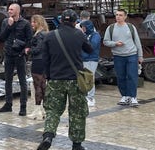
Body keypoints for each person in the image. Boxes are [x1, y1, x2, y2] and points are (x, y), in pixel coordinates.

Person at [37, 9, 92, 150]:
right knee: (77, 112)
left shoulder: (50, 36)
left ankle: (48, 136)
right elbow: (90, 50)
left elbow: (45, 59)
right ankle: (77, 144)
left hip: (56, 79)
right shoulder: (78, 34)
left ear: (61, 21)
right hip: (75, 80)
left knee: (53, 110)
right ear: (75, 22)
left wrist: (49, 76)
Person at [0, 3, 33, 116]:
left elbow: (30, 39)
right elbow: (2, 37)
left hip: (19, 55)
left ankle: (23, 106)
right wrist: (9, 26)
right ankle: (8, 104)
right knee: (8, 80)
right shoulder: (5, 22)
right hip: (8, 54)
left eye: (11, 9)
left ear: (18, 11)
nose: (9, 11)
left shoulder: (25, 23)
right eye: (8, 9)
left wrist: (24, 51)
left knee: (23, 81)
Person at [103, 8, 143, 107]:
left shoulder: (130, 27)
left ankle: (133, 97)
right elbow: (105, 41)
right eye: (117, 15)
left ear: (125, 16)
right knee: (120, 77)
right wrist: (115, 43)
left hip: (131, 55)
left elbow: (137, 41)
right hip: (118, 56)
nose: (118, 17)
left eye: (120, 15)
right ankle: (124, 96)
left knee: (132, 76)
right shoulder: (111, 28)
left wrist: (140, 56)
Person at [28, 14, 48, 120]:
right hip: (44, 61)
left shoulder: (39, 35)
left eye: (34, 22)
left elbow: (38, 49)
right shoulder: (46, 34)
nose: (32, 24)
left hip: (37, 61)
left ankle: (37, 112)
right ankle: (44, 110)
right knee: (43, 85)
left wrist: (28, 50)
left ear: (38, 23)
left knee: (37, 86)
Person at [80, 20, 101, 107]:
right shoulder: (85, 35)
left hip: (91, 59)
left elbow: (92, 46)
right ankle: (86, 96)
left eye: (84, 27)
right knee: (84, 78)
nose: (83, 29)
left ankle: (91, 97)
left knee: (90, 78)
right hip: (84, 59)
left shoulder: (95, 35)